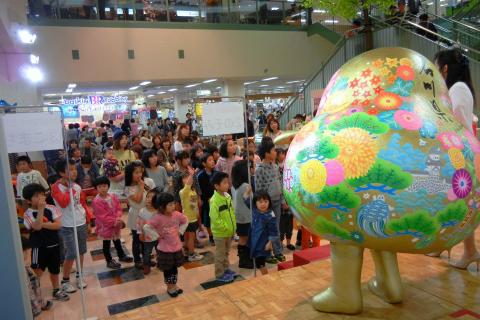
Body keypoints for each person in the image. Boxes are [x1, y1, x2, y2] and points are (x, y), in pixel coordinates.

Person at [434, 48, 478, 269]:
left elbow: (458, 121)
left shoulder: (458, 89)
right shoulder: (459, 88)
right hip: (457, 151)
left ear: (446, 68)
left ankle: (469, 251)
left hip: (459, 152)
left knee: (461, 203)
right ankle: (446, 244)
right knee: (453, 202)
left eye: (437, 67)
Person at [22, 183, 70, 302]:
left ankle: (56, 290)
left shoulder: (52, 208)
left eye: (42, 195)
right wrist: (41, 210)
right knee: (37, 271)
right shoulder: (27, 213)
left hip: (54, 244)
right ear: (28, 200)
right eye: (37, 196)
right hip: (39, 247)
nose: (41, 198)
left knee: (54, 270)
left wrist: (42, 224)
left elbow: (58, 225)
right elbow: (36, 227)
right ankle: (35, 296)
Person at [51, 159, 88, 293]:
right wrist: (69, 188)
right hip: (67, 226)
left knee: (82, 251)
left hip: (81, 223)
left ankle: (79, 275)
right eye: (70, 169)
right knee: (71, 252)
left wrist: (88, 219)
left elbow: (81, 204)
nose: (74, 172)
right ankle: (65, 281)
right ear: (61, 173)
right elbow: (63, 203)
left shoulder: (77, 186)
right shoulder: (55, 187)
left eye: (75, 169)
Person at [144, 192, 187, 297]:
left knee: (174, 268)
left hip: (176, 247)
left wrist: (180, 231)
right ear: (162, 207)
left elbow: (185, 220)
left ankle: (174, 285)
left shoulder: (176, 214)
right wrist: (157, 236)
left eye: (173, 204)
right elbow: (146, 227)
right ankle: (170, 288)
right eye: (170, 205)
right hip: (164, 249)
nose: (173, 206)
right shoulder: (158, 217)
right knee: (168, 269)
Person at [91, 176, 133, 269]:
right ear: (96, 188)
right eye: (100, 186)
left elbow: (118, 208)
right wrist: (115, 221)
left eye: (105, 186)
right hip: (105, 227)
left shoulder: (113, 196)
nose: (103, 188)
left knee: (117, 241)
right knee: (106, 244)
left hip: (115, 225)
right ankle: (109, 260)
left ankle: (121, 255)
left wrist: (117, 217)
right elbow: (102, 216)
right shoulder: (97, 201)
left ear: (108, 186)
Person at [255, 140, 286, 263]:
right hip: (267, 204)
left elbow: (280, 184)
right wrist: (263, 205)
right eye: (273, 150)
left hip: (277, 201)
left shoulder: (275, 166)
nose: (275, 152)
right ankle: (267, 254)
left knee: (276, 228)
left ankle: (278, 251)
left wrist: (283, 200)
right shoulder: (259, 169)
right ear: (267, 153)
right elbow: (258, 190)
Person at [124, 161, 156, 269]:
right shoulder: (128, 188)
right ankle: (137, 260)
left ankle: (146, 258)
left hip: (147, 213)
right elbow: (137, 200)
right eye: (136, 173)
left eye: (140, 172)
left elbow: (153, 194)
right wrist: (141, 187)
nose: (139, 175)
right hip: (136, 215)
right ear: (130, 174)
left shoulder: (146, 182)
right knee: (137, 239)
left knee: (147, 237)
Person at [209, 172, 237, 283]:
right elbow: (215, 219)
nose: (227, 184)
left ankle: (226, 269)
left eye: (227, 182)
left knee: (226, 252)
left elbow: (231, 212)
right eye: (224, 183)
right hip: (220, 233)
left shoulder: (228, 196)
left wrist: (232, 227)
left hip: (229, 232)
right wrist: (225, 227)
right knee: (220, 254)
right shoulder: (214, 201)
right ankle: (219, 274)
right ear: (216, 186)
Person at [246, 189, 278, 275]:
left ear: (269, 202)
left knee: (260, 263)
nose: (263, 204)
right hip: (254, 240)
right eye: (260, 202)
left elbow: (273, 231)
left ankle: (266, 277)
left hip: (263, 243)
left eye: (266, 201)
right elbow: (247, 202)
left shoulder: (270, 215)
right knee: (257, 261)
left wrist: (270, 243)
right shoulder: (255, 210)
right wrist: (247, 194)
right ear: (255, 203)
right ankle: (264, 276)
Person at [231, 160, 254, 269]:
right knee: (244, 239)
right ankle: (244, 260)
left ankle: (244, 258)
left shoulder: (236, 185)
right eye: (249, 168)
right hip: (245, 217)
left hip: (240, 216)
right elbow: (249, 201)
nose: (251, 170)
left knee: (243, 238)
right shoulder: (245, 186)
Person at [180, 171, 204, 262]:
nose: (187, 179)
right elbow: (188, 184)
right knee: (191, 237)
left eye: (188, 177)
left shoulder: (192, 191)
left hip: (193, 217)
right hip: (188, 218)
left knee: (188, 236)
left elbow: (193, 205)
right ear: (182, 181)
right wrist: (191, 174)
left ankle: (187, 250)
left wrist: (197, 213)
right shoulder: (183, 191)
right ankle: (191, 254)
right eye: (184, 178)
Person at [136, 188, 160, 275]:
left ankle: (160, 263)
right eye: (148, 197)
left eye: (152, 197)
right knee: (146, 253)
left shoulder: (159, 211)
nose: (149, 199)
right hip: (147, 237)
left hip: (158, 236)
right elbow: (139, 224)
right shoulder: (142, 211)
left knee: (160, 251)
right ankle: (146, 266)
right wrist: (140, 233)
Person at [197, 153, 218, 246]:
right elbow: (200, 190)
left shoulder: (216, 173)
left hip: (217, 199)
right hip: (207, 200)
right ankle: (211, 236)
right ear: (204, 164)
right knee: (208, 219)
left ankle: (218, 235)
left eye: (213, 159)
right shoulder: (200, 176)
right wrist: (204, 199)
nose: (212, 161)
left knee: (217, 217)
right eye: (209, 160)